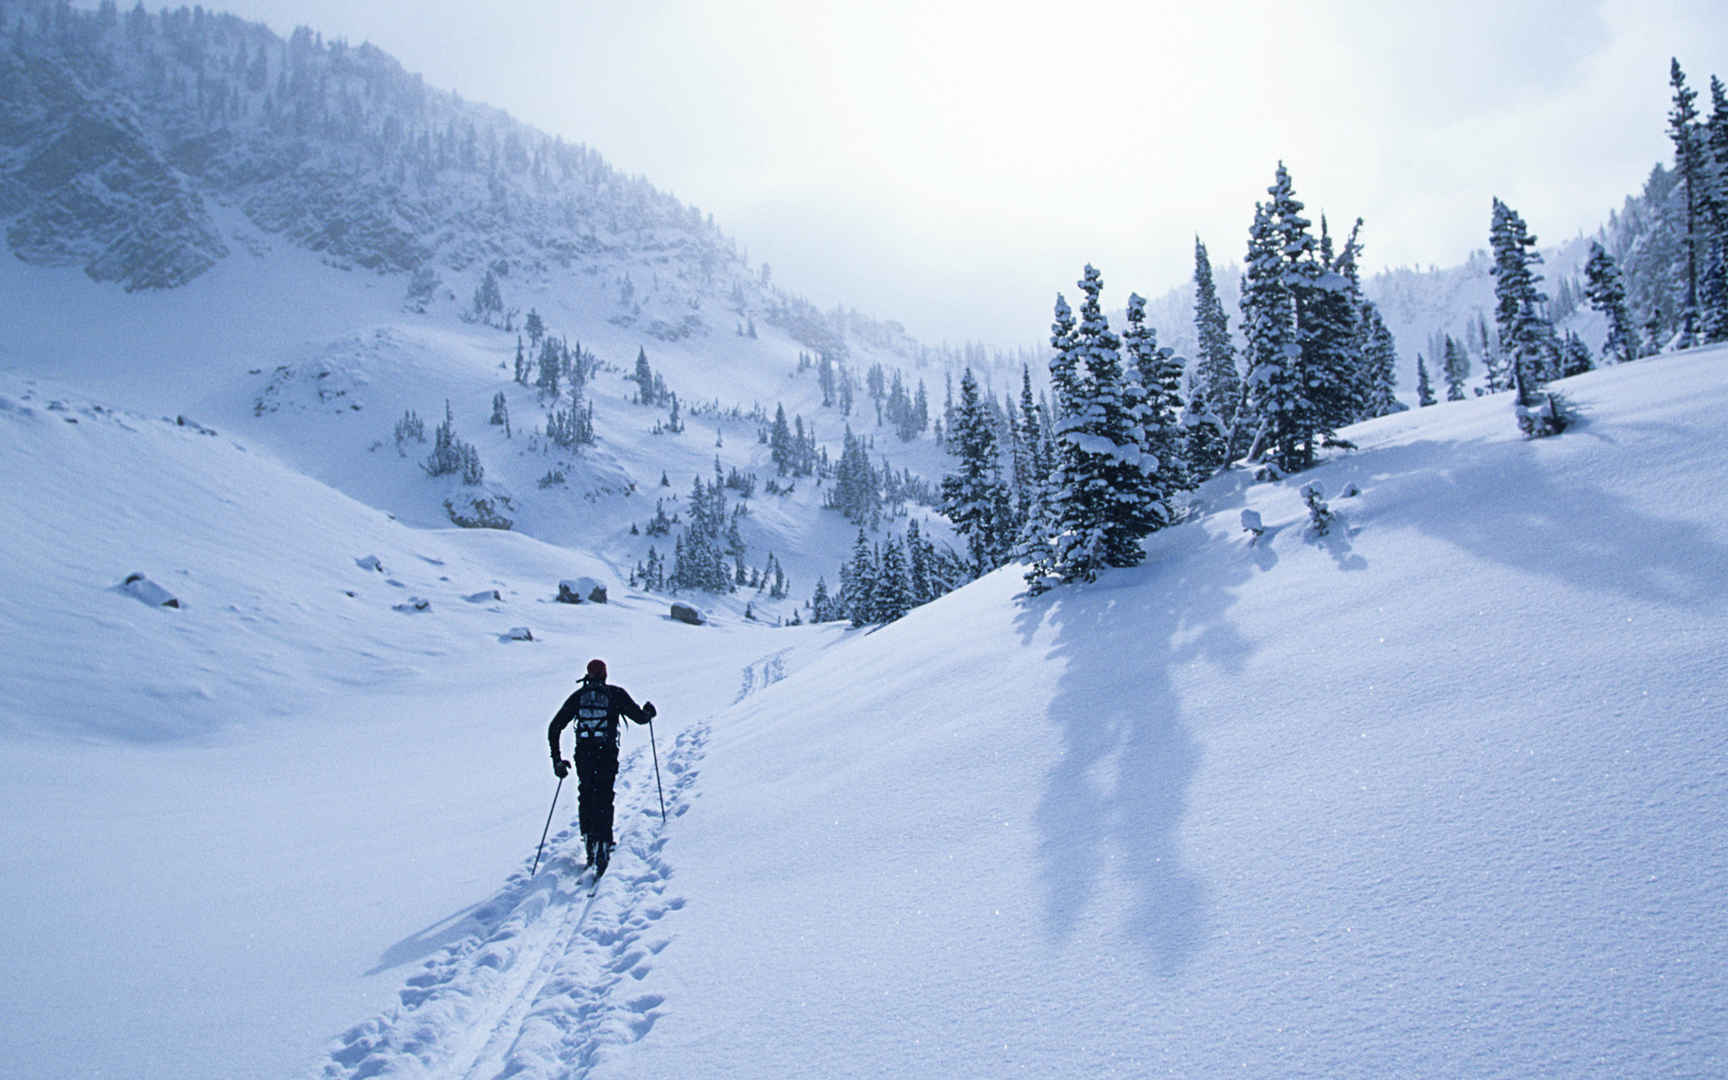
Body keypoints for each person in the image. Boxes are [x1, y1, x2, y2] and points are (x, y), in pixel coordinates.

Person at [547, 658, 656, 876]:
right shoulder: (615, 694)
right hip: (606, 754)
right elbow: (641, 719)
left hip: (584, 755)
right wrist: (649, 712)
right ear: (605, 674)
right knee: (604, 795)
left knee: (586, 793)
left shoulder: (578, 698)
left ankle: (589, 839)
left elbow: (554, 727)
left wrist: (557, 760)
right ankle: (604, 842)